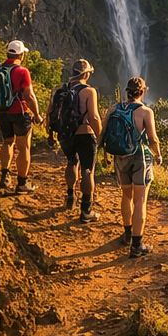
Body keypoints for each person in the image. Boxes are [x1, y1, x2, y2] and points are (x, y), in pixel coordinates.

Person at [111, 77, 161, 257]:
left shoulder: (114, 108)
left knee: (126, 195)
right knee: (140, 200)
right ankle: (136, 245)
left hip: (120, 157)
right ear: (143, 91)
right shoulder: (145, 111)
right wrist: (158, 154)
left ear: (127, 91)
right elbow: (153, 138)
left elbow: (105, 131)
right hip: (140, 158)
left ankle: (126, 234)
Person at [54, 60, 101, 220]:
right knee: (88, 170)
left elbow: (51, 112)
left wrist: (51, 133)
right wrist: (100, 135)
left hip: (66, 135)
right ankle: (86, 210)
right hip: (85, 134)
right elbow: (94, 117)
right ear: (86, 74)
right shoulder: (89, 91)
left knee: (72, 162)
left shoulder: (61, 90)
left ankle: (70, 197)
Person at [0, 40, 39, 193]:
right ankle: (22, 184)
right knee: (23, 147)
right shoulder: (22, 71)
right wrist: (37, 114)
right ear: (21, 55)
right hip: (20, 112)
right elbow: (29, 95)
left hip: (1, 112)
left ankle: (5, 176)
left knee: (7, 142)